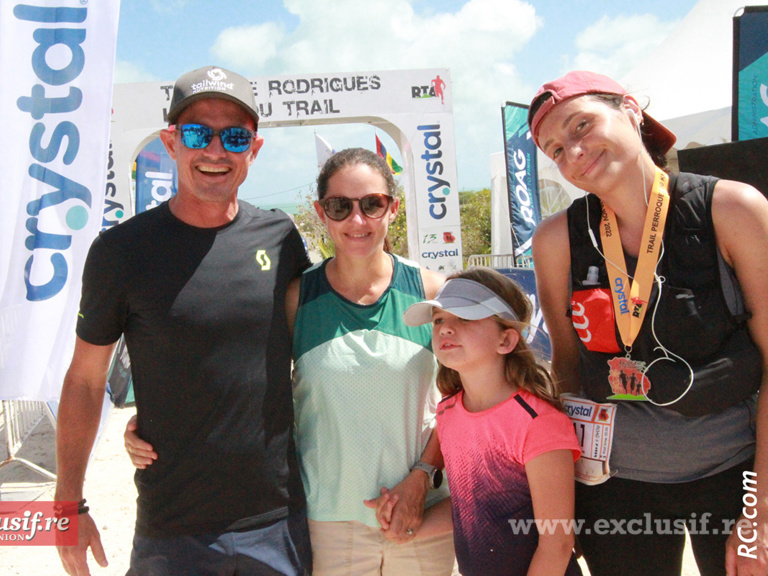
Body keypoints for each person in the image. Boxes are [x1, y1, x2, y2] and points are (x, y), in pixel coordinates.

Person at [127, 148, 456, 576]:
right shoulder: (297, 298)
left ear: (392, 209)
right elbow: (235, 376)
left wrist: (421, 477)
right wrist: (152, 425)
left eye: (372, 204)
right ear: (321, 212)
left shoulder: (432, 292)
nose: (357, 221)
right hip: (327, 523)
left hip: (421, 514)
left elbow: (465, 398)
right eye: (340, 206)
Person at [54, 65, 312, 576]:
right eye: (198, 132)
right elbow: (85, 381)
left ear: (253, 151)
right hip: (172, 534)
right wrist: (68, 504)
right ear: (171, 143)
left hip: (278, 523)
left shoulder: (281, 238)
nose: (215, 151)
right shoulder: (121, 251)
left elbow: (324, 346)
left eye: (235, 136)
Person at [529, 70, 768, 576]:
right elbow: (567, 370)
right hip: (617, 488)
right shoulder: (556, 240)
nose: (571, 153)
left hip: (734, 476)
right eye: (554, 150)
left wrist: (762, 510)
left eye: (581, 126)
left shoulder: (731, 208)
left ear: (632, 110)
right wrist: (569, 498)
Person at [389, 268, 582, 576]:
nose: (445, 329)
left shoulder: (538, 422)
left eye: (464, 318)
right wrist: (407, 528)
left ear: (506, 340)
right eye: (438, 319)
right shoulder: (448, 413)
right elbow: (470, 510)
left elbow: (557, 542)